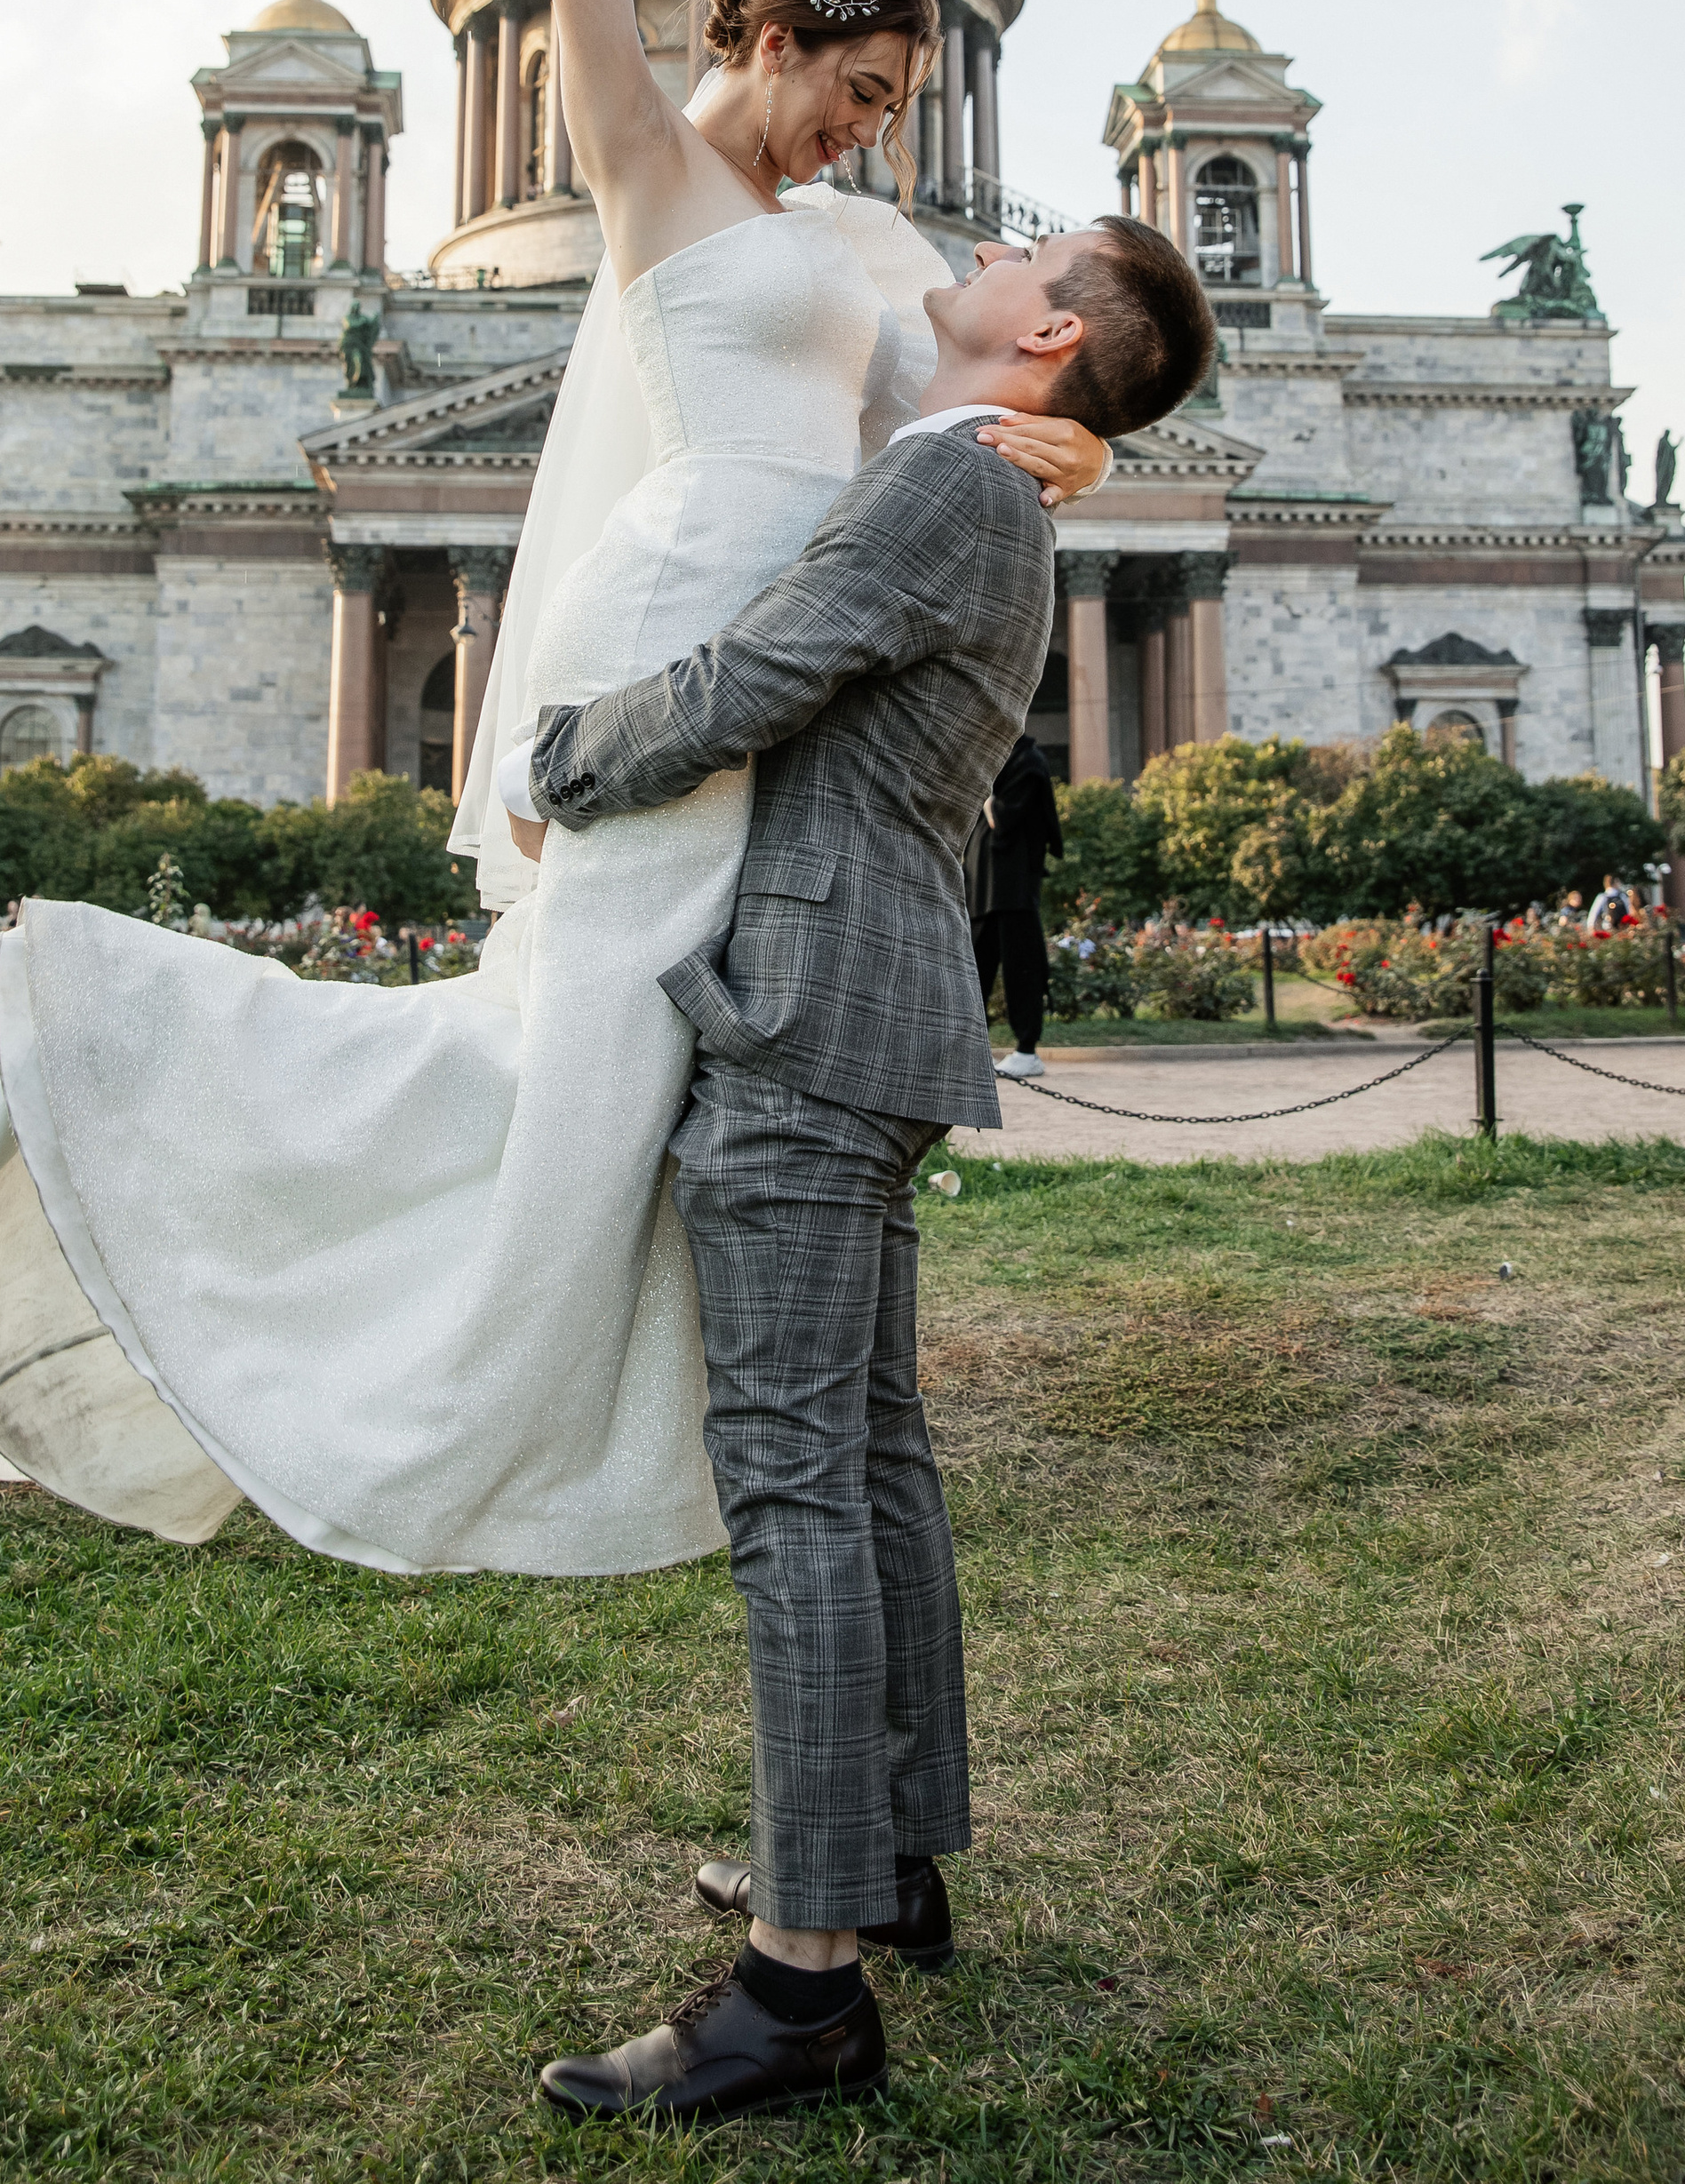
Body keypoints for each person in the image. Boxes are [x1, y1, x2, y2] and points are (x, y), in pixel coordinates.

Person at [0, 0, 1111, 1575]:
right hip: (666, 623)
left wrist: (1068, 429)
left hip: (781, 651)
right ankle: (268, 1201)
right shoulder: (644, 168)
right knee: (568, 1035)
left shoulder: (875, 252)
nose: (868, 128)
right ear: (767, 25)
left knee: (678, 1052)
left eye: (907, 102)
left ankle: (675, 1385)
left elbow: (963, 395)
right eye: (856, 81)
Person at [523, 211, 1215, 2123]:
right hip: (872, 994)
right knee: (869, 1450)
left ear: (1055, 332)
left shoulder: (949, 496)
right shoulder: (975, 472)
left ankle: (797, 1990)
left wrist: (557, 758)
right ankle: (882, 1861)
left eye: (1034, 246)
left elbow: (757, 673)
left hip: (812, 1013)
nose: (987, 238)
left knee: (791, 1483)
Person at [967, 732, 1063, 1080]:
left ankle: (1025, 1050)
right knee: (973, 969)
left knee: (1022, 968)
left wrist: (986, 795)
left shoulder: (1026, 761)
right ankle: (968, 1048)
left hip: (1014, 888)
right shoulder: (999, 760)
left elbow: (1003, 819)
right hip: (983, 890)